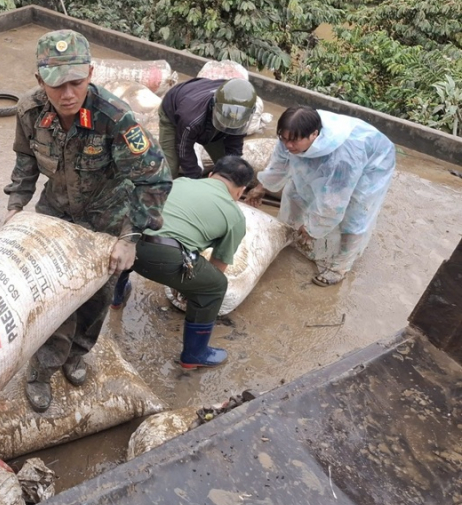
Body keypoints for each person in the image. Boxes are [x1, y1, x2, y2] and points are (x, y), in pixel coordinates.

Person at [3, 29, 172, 412]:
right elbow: (25, 159)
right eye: (56, 84)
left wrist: (130, 237)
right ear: (39, 80)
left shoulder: (114, 119)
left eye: (77, 83)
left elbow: (155, 178)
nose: (67, 94)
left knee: (95, 299)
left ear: (91, 74)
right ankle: (42, 369)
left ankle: (77, 354)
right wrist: (16, 203)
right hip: (56, 216)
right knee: (51, 299)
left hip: (106, 222)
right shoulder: (30, 112)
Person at [112, 156, 254, 368]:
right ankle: (195, 354)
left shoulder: (181, 181)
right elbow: (218, 265)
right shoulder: (235, 217)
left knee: (133, 236)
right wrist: (190, 289)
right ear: (240, 190)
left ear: (211, 175)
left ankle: (116, 296)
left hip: (125, 243)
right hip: (163, 256)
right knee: (216, 285)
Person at [246, 106, 395, 286]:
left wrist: (313, 228)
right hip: (339, 154)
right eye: (283, 139)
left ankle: (340, 266)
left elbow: (333, 203)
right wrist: (261, 188)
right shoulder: (292, 134)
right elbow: (279, 164)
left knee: (355, 213)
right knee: (296, 190)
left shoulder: (343, 157)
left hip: (372, 163)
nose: (288, 145)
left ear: (314, 134)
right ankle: (292, 234)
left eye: (293, 141)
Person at [158, 77, 257, 179]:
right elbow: (183, 148)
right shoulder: (190, 118)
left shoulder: (242, 113)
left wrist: (234, 170)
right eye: (224, 122)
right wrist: (194, 178)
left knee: (228, 168)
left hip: (208, 113)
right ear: (214, 106)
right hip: (173, 111)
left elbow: (234, 144)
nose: (226, 126)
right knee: (170, 170)